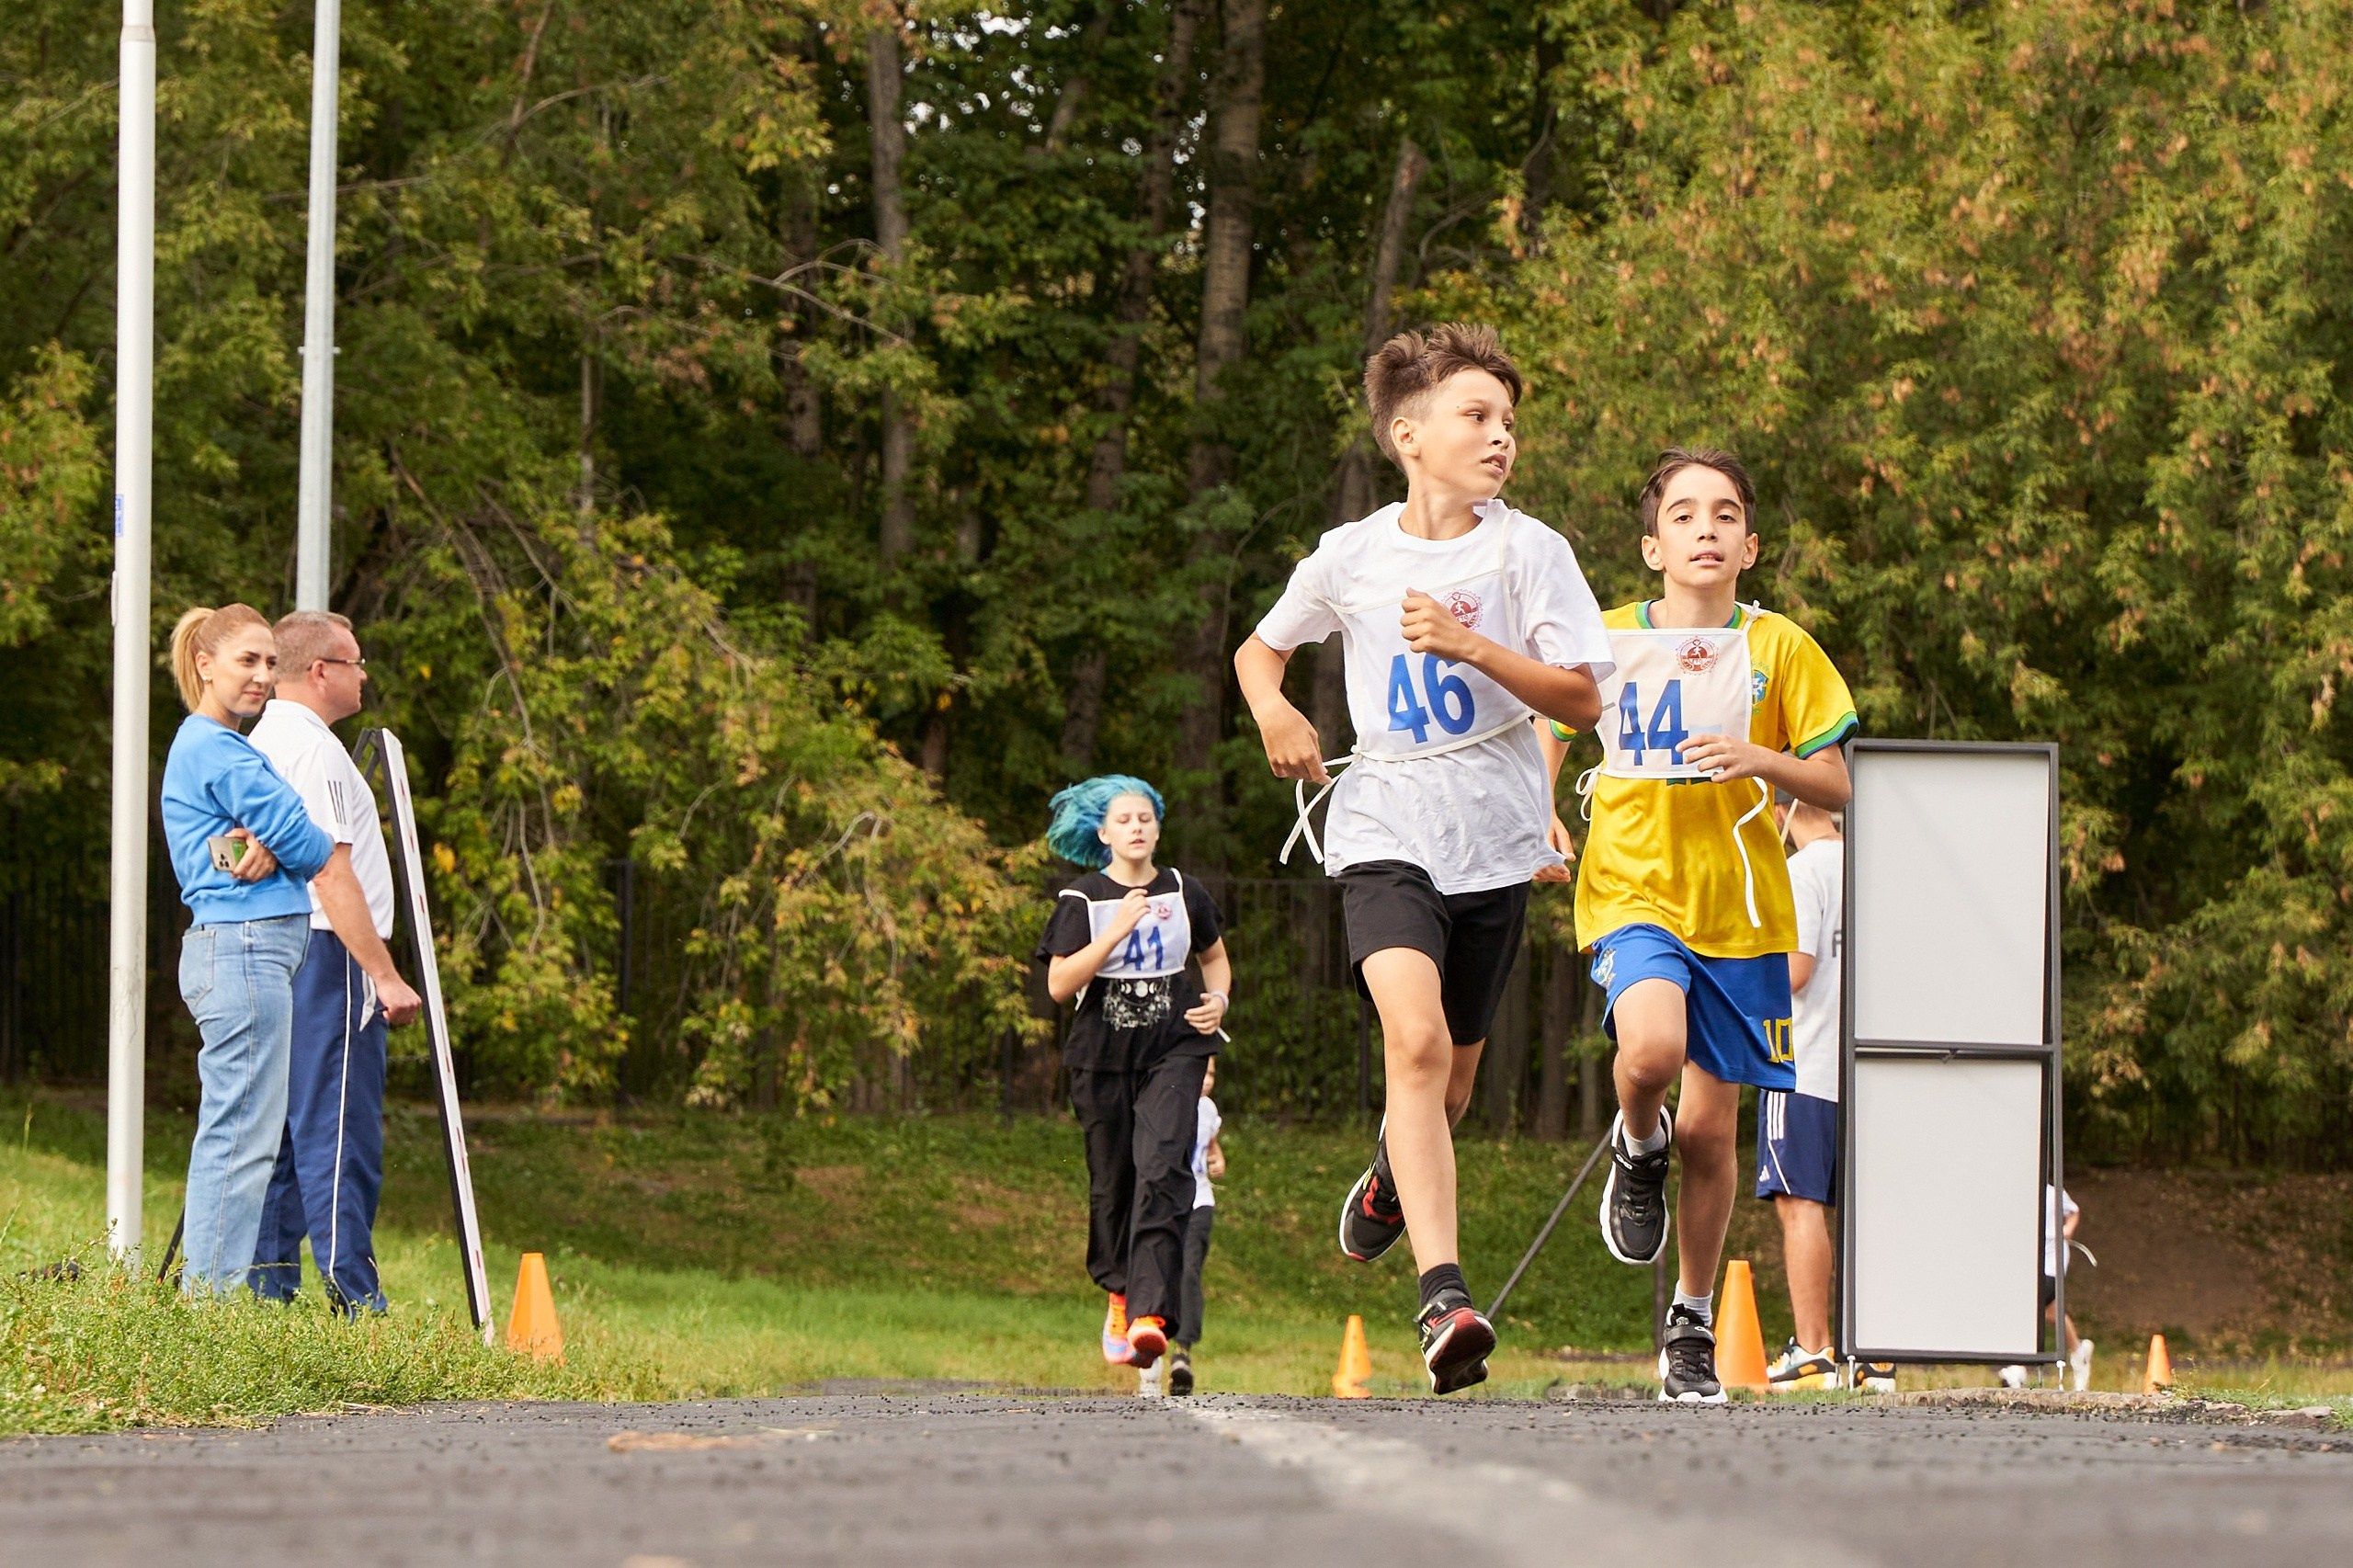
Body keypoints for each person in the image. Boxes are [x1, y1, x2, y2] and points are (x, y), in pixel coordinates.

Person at [1235, 324, 1610, 1394]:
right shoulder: (1350, 553)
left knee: (1448, 1090)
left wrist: (1472, 643)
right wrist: (1273, 710)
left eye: (1507, 421)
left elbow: (1583, 697)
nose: (1500, 437)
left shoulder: (1528, 552)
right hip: (1384, 826)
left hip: (1491, 838)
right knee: (1414, 1040)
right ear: (1408, 435)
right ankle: (1444, 1297)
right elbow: (1260, 649)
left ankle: (1389, 1178)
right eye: (1475, 416)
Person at [1551, 447, 1858, 1403]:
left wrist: (1761, 758)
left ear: (1749, 546)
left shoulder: (1781, 647)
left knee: (1714, 1135)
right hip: (1633, 888)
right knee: (1648, 1051)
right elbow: (1550, 727)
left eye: (1724, 514)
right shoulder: (1605, 637)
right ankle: (1636, 1141)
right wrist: (1542, 809)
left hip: (1741, 908)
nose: (1705, 529)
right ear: (1653, 546)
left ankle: (1689, 1322)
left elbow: (1838, 781)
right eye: (1683, 515)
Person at [247, 611, 424, 1313]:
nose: (363, 676)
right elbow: (330, 873)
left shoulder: (265, 741)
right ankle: (356, 1297)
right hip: (331, 953)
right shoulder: (315, 753)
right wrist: (382, 973)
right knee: (339, 1127)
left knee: (286, 1133)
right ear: (320, 671)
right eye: (354, 663)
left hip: (285, 947)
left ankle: (266, 1293)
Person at [159, 605, 336, 1297]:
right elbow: (310, 843)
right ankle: (208, 1307)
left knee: (240, 1134)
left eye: (269, 662)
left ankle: (207, 1300)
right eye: (247, 661)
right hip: (244, 948)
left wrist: (266, 842)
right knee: (242, 1139)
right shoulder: (217, 748)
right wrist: (285, 843)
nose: (262, 675)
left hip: (241, 949)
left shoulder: (218, 748)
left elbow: (253, 842)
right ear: (205, 665)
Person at [1036, 777, 1231, 1376]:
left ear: (1158, 828)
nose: (1137, 827)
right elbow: (1059, 984)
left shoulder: (1184, 890)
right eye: (1124, 820)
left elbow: (1214, 958)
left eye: (1145, 817)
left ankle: (1150, 1313)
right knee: (1113, 1183)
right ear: (1103, 833)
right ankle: (1121, 1295)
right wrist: (1116, 929)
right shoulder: (1084, 899)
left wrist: (1218, 1001)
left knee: (1162, 1166)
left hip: (1175, 1049)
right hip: (1102, 1057)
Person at [1759, 791, 1842, 1391]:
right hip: (1867, 1065)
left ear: (1780, 810)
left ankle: (1814, 1347)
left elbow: (1795, 969)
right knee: (1863, 1209)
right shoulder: (1871, 867)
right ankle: (1875, 1352)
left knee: (1799, 1202)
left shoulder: (1800, 870)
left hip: (1805, 1063)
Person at [1166, 1053, 1226, 1398]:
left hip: (1200, 1202)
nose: (1206, 1080)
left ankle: (1182, 1352)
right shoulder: (1170, 1102)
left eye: (1212, 1074)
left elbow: (1212, 1148)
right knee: (1165, 1270)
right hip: (1169, 1204)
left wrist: (1217, 1161)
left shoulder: (1209, 1109)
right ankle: (1149, 1344)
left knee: (1190, 1272)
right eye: (1202, 1072)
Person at [2002, 1187, 2092, 1390]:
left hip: (2051, 1264)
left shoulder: (2053, 1193)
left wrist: (2068, 1229)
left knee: (2029, 1307)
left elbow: (2073, 1211)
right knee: (2051, 1313)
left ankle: (2018, 1366)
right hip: (2031, 1262)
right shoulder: (2020, 1190)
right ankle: (2080, 1353)